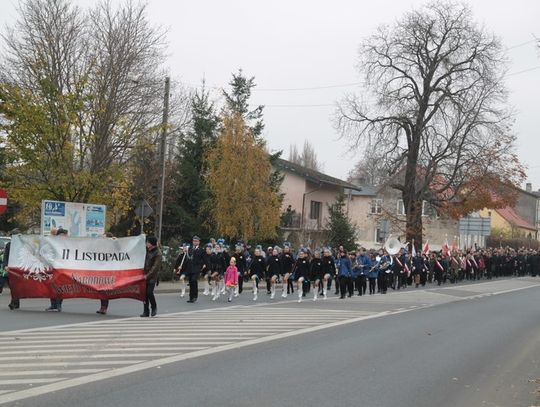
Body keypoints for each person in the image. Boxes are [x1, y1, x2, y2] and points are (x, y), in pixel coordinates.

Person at [46, 227, 68, 312]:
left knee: (60, 287)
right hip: (53, 267)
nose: (65, 237)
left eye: (65, 235)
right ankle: (53, 305)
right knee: (52, 286)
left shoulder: (68, 243)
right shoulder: (53, 243)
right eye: (63, 235)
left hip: (63, 268)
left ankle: (59, 305)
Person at [140, 236, 161, 317]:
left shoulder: (158, 253)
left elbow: (155, 267)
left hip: (152, 276)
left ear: (152, 244)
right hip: (144, 275)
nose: (146, 244)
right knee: (144, 294)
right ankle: (146, 311)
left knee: (149, 292)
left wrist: (147, 276)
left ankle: (154, 307)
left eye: (148, 242)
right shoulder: (147, 250)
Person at [97, 232, 115, 315]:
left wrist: (116, 241)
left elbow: (120, 249)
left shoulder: (112, 247)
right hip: (101, 270)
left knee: (105, 290)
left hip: (108, 271)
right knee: (101, 290)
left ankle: (104, 307)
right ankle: (102, 307)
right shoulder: (101, 247)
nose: (102, 239)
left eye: (104, 238)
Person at [186, 236, 204, 303]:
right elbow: (188, 259)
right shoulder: (190, 249)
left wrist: (205, 268)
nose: (195, 242)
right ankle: (191, 297)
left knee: (194, 280)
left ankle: (195, 296)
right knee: (191, 282)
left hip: (197, 268)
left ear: (199, 242)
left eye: (196, 241)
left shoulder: (201, 250)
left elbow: (203, 259)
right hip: (190, 268)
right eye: (194, 241)